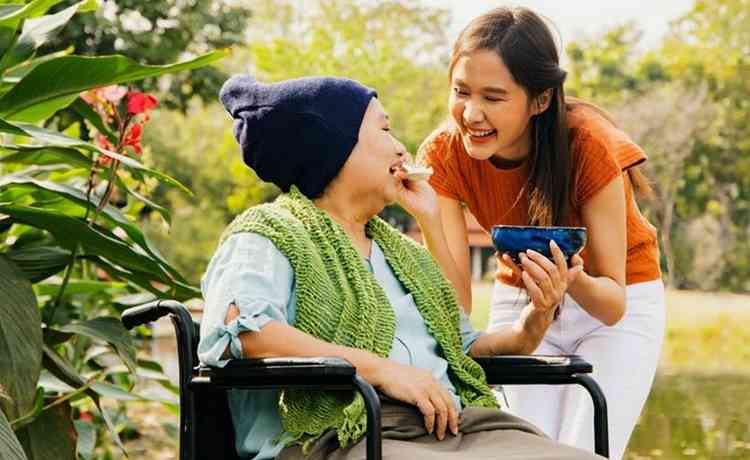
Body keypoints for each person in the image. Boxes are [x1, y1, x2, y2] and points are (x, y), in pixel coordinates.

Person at [197, 74, 603, 460]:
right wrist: (381, 370)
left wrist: (533, 321)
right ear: (332, 147)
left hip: (454, 429)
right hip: (341, 438)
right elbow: (244, 330)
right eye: (384, 130)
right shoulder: (267, 234)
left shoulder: (400, 252)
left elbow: (461, 348)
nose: (401, 149)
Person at [416, 7, 665, 460]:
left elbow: (612, 304)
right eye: (461, 91)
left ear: (540, 99)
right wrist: (428, 215)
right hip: (521, 299)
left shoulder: (589, 143)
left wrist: (569, 281)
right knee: (516, 447)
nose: (471, 113)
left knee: (584, 448)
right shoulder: (444, 153)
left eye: (493, 97)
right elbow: (456, 310)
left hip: (617, 301)